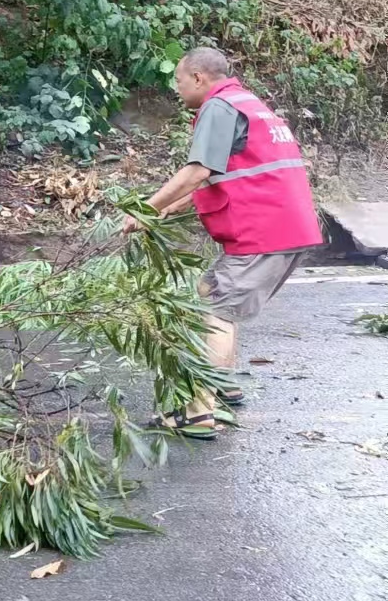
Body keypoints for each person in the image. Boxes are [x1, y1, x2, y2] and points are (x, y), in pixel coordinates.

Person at [124, 46, 323, 438]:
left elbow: (198, 170)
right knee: (214, 296)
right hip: (286, 227)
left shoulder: (218, 107)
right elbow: (223, 175)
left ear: (198, 78)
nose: (177, 90)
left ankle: (199, 411)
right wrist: (167, 210)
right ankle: (221, 384)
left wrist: (144, 209)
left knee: (212, 307)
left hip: (263, 230)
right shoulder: (248, 103)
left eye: (178, 82)